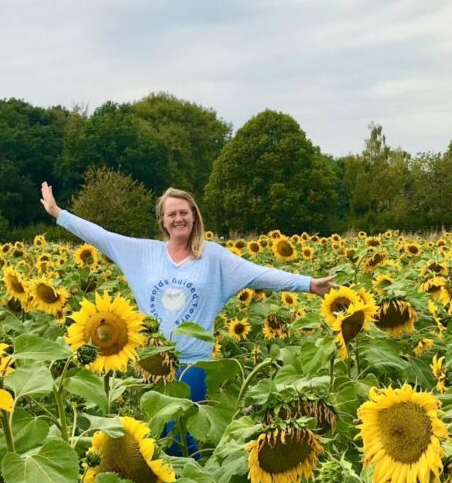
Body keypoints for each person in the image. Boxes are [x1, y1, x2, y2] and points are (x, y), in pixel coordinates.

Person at [40, 182, 334, 456]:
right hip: (152, 361)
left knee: (181, 436)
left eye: (184, 212)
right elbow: (100, 236)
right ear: (163, 221)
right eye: (172, 214)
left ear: (194, 217)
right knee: (157, 435)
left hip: (193, 362)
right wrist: (58, 213)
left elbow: (259, 274)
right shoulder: (143, 252)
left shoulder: (215, 258)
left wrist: (308, 283)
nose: (178, 218)